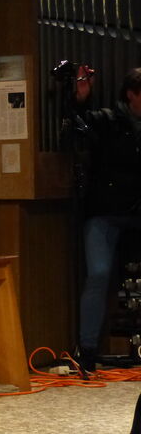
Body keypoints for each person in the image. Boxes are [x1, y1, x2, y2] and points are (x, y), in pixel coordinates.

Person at [73, 66, 141, 372]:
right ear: (131, 94)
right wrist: (80, 100)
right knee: (98, 274)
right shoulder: (107, 120)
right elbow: (76, 132)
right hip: (106, 211)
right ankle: (86, 351)